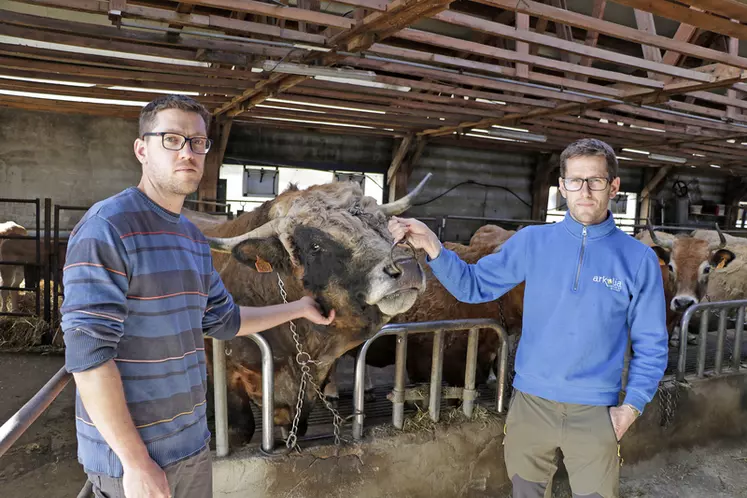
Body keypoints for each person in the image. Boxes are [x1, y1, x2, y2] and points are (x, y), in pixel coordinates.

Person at [61, 94, 335, 498]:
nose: (187, 152)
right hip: (133, 462)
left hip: (190, 445)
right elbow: (88, 356)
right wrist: (136, 463)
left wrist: (300, 308)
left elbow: (225, 321)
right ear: (142, 149)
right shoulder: (107, 227)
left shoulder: (191, 237)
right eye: (171, 139)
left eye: (198, 142)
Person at [389, 138, 668, 498]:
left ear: (613, 186)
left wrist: (630, 408)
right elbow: (473, 287)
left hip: (595, 410)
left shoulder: (638, 259)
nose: (584, 190)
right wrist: (432, 245)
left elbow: (652, 344)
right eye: (575, 180)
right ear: (562, 187)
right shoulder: (532, 242)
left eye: (595, 180)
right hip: (530, 406)